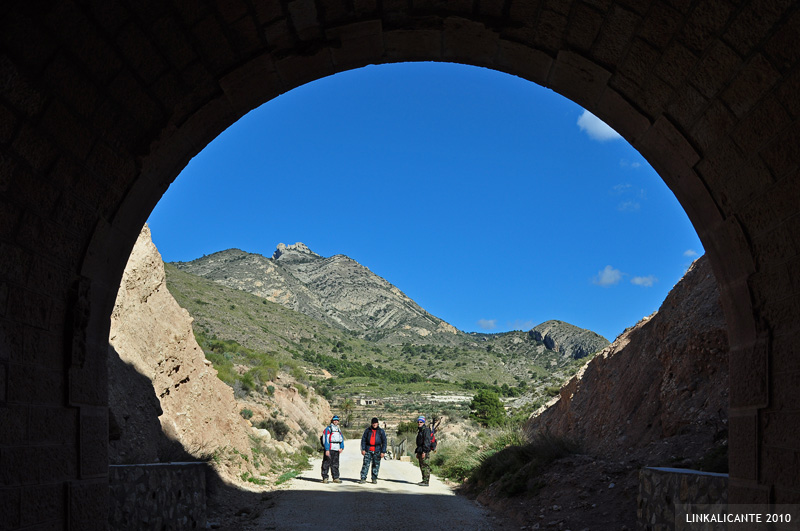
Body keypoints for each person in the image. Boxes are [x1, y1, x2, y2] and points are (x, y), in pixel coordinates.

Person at [359, 417, 387, 484]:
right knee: (366, 464)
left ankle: (374, 478)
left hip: (377, 450)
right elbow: (363, 440)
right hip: (368, 450)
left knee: (376, 465)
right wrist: (363, 449)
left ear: (377, 423)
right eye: (373, 423)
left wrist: (383, 451)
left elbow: (384, 442)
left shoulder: (381, 431)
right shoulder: (367, 430)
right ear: (371, 423)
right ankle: (363, 478)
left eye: (376, 423)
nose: (374, 424)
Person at [321, 415, 345, 484]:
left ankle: (336, 478)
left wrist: (341, 447)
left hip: (336, 449)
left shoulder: (338, 429)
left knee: (335, 464)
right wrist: (327, 449)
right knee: (326, 463)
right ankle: (325, 478)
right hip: (330, 449)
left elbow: (341, 439)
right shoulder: (328, 429)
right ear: (332, 421)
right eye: (335, 420)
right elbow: (325, 440)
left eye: (337, 420)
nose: (336, 421)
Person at [414, 415, 432, 486]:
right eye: (418, 422)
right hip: (420, 450)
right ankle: (424, 480)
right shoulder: (420, 430)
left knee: (425, 466)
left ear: (424, 422)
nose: (419, 423)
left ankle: (426, 481)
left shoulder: (426, 430)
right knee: (422, 466)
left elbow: (427, 442)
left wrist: (424, 451)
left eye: (421, 422)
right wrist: (418, 452)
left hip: (424, 451)